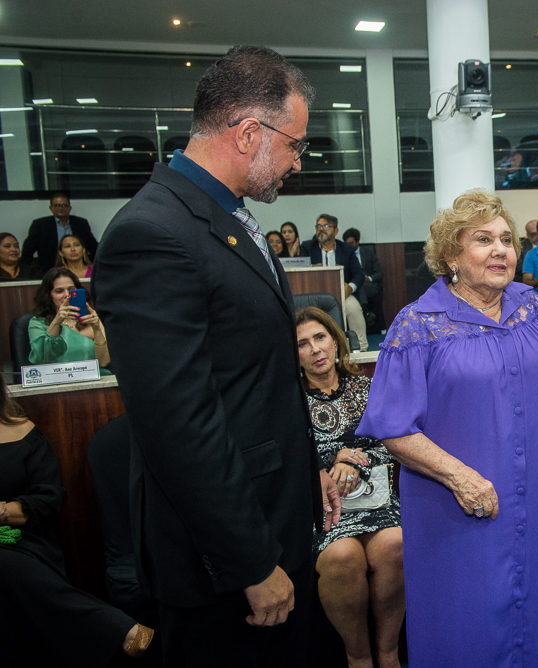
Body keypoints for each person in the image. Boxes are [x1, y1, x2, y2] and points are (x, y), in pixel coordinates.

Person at [92, 45, 340, 667]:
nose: (297, 163)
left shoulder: (224, 217)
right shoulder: (152, 233)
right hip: (224, 562)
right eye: (295, 145)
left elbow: (255, 383)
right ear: (250, 133)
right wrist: (250, 562)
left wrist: (300, 477)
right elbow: (179, 427)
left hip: (272, 516)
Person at [356, 189, 538, 668]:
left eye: (507, 240)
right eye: (483, 239)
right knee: (467, 621)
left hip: (537, 502)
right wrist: (460, 478)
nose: (501, 250)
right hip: (456, 507)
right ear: (451, 255)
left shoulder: (529, 306)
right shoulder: (417, 325)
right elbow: (393, 428)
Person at [0, 375, 154, 665]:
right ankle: (117, 629)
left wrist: (6, 511)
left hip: (23, 539)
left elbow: (48, 500)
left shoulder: (25, 434)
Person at [296, 307, 405, 668]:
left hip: (377, 501)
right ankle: (358, 657)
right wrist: (329, 464)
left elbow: (392, 441)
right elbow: (288, 459)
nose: (314, 349)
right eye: (302, 344)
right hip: (324, 510)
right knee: (343, 557)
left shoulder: (366, 386)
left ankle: (388, 652)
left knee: (395, 545)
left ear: (335, 339)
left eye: (320, 337)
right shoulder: (289, 403)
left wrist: (352, 459)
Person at [302, 214, 368, 352]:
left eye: (326, 226)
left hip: (342, 294)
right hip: (315, 296)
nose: (321, 229)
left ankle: (361, 349)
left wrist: (350, 288)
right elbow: (301, 272)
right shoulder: (307, 247)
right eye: (318, 226)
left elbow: (359, 274)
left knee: (354, 309)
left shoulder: (347, 249)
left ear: (336, 231)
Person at [29, 268, 111, 375]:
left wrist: (97, 329)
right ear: (48, 295)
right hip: (56, 382)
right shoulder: (38, 323)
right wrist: (57, 322)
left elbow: (104, 362)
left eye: (71, 290)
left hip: (94, 381)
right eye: (59, 291)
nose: (67, 295)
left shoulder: (92, 318)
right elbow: (41, 359)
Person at [21, 193, 99, 270]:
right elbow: (28, 250)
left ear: (70, 208)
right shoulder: (40, 225)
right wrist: (25, 270)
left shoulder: (81, 223)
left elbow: (93, 247)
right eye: (57, 205)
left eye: (64, 205)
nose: (61, 208)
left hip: (77, 267)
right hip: (49, 268)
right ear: (51, 208)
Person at [343, 227, 385, 333]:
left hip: (370, 286)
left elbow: (379, 273)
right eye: (346, 243)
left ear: (358, 241)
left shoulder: (368, 252)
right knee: (358, 284)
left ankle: (366, 313)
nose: (349, 246)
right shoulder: (345, 254)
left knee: (360, 284)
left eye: (351, 243)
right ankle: (366, 313)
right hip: (353, 286)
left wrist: (368, 278)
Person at [514, 218, 538, 283]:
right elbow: (517, 266)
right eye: (533, 234)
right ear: (528, 235)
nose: (537, 236)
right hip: (525, 281)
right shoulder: (520, 246)